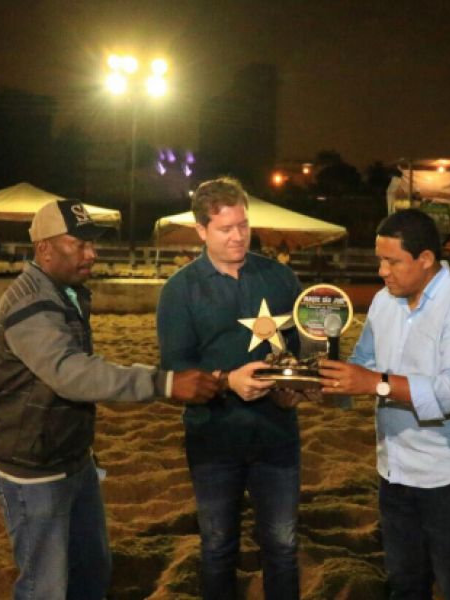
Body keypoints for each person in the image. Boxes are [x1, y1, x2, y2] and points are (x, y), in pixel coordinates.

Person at [0, 198, 218, 600]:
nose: (92, 253)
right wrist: (162, 383)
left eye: (92, 243)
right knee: (46, 587)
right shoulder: (31, 304)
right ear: (44, 249)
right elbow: (72, 374)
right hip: (33, 469)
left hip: (69, 457)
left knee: (91, 570)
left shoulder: (63, 291)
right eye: (80, 244)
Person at [319, 209, 450, 600]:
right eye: (380, 260)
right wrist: (323, 383)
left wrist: (375, 384)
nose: (382, 271)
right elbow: (364, 363)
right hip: (394, 469)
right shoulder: (384, 301)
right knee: (404, 584)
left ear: (426, 259)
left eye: (392, 261)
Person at [157, 177, 306, 600]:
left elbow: (302, 350)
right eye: (225, 228)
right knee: (218, 546)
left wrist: (295, 386)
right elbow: (175, 372)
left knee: (283, 546)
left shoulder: (280, 278)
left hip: (277, 435)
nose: (238, 236)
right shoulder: (179, 291)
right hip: (213, 438)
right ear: (201, 230)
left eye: (243, 224)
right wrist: (228, 381)